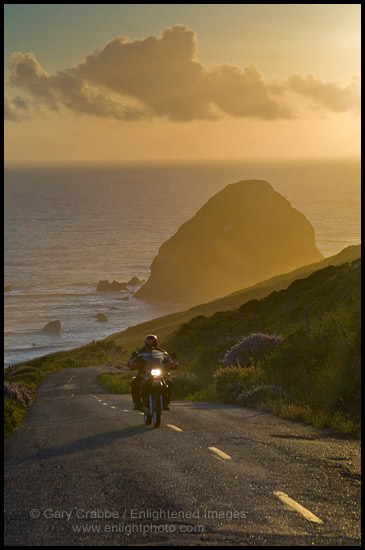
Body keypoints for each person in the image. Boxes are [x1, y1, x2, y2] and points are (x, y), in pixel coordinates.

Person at [127, 334, 178, 411]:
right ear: (145, 343)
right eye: (149, 342)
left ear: (156, 342)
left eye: (152, 342)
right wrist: (133, 364)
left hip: (159, 372)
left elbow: (169, 359)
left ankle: (165, 403)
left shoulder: (162, 352)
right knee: (135, 384)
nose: (150, 344)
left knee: (169, 384)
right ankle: (137, 404)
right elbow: (131, 361)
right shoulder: (140, 352)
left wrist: (172, 364)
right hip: (144, 373)